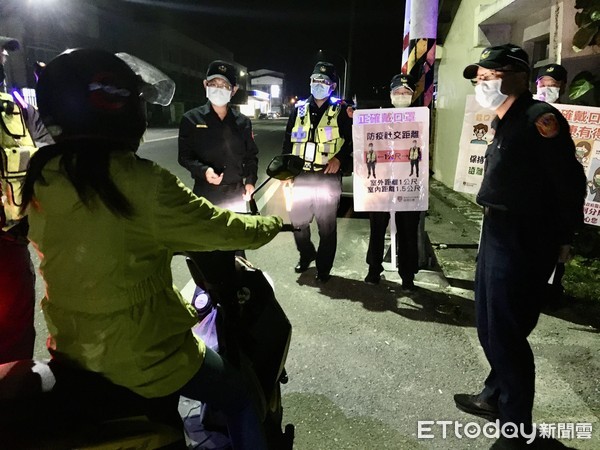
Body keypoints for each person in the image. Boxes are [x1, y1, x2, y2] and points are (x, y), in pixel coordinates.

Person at [21, 48, 282, 450]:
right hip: (145, 356)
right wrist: (274, 223)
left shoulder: (45, 176)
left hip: (73, 350)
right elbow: (222, 229)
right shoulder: (143, 184)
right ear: (120, 108)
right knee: (241, 395)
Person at [453, 44, 586, 449]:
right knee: (489, 321)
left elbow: (569, 182)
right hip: (496, 229)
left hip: (526, 235)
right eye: (480, 78)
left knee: (507, 330)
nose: (482, 83)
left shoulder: (539, 120)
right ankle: (495, 394)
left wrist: (566, 237)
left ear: (517, 76)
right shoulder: (505, 119)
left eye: (489, 76)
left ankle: (515, 424)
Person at [0, 38, 52, 364]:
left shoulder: (18, 110)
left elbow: (50, 154)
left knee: (15, 339)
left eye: (1, 54)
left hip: (10, 243)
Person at [282, 61, 353, 282]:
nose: (318, 84)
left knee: (326, 227)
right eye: (315, 80)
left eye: (323, 81)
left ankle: (323, 269)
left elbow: (352, 140)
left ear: (332, 86)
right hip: (302, 175)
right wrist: (286, 173)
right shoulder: (299, 109)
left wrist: (339, 159)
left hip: (327, 178)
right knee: (298, 223)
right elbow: (288, 142)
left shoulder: (342, 110)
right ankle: (306, 253)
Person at [364, 74, 422, 290]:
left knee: (408, 230)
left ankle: (408, 276)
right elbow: (364, 138)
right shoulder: (380, 119)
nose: (402, 96)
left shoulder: (421, 118)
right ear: (390, 95)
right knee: (377, 228)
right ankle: (373, 269)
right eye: (397, 92)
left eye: (406, 93)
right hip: (382, 184)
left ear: (412, 95)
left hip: (408, 184)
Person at [178, 59, 258, 213]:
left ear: (233, 90)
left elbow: (250, 156)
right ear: (205, 85)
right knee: (205, 236)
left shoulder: (243, 122)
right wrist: (204, 171)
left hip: (236, 194)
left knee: (233, 235)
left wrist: (250, 181)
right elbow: (184, 157)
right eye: (213, 84)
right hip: (205, 194)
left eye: (224, 85)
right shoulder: (191, 119)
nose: (218, 89)